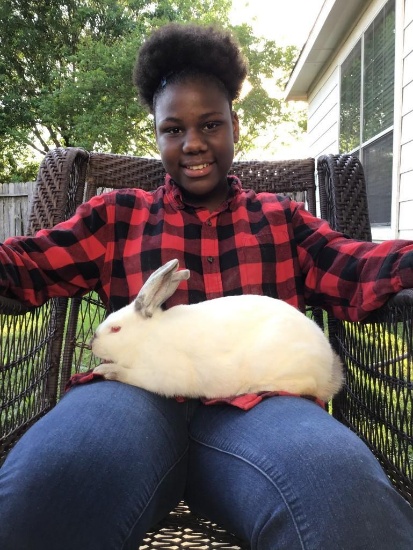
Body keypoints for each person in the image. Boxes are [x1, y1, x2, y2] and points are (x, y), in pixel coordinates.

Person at [1, 22, 413, 550]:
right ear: (155, 133)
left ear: (234, 126)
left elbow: (353, 266)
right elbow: (32, 264)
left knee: (341, 493)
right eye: (173, 129)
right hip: (133, 402)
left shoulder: (280, 219)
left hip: (262, 406)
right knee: (52, 479)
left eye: (210, 125)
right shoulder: (118, 215)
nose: (193, 144)